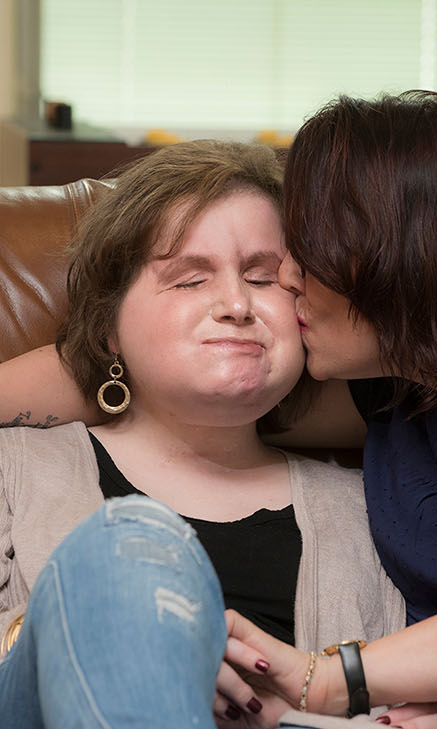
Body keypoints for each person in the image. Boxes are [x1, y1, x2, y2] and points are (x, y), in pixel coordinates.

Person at [0, 140, 410, 727]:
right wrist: (115, 631)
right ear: (110, 329)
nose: (237, 304)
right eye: (189, 279)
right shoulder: (13, 468)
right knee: (132, 543)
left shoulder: (376, 506)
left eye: (265, 278)